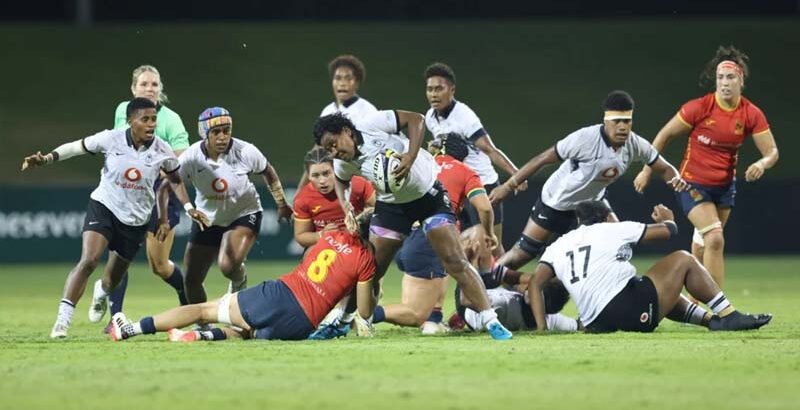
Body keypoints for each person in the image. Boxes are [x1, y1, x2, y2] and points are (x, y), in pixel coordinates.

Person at [313, 111, 513, 340]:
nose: (334, 152)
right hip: (391, 208)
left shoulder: (372, 125)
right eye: (328, 149)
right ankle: (342, 322)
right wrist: (345, 205)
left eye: (334, 144)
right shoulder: (342, 163)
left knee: (455, 261)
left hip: (429, 197)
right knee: (370, 270)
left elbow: (417, 119)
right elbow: (341, 181)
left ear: (347, 131)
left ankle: (491, 321)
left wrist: (410, 156)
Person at [20, 97, 209, 339]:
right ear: (131, 121)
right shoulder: (111, 138)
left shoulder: (162, 149)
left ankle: (101, 290)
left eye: (154, 119)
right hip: (104, 206)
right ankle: (62, 321)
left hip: (136, 221)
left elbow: (174, 179)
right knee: (89, 260)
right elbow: (76, 147)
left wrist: (188, 207)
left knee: (111, 280)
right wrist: (47, 158)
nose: (151, 124)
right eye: (145, 119)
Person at [490, 90, 689, 270]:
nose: (622, 127)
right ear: (606, 121)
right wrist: (508, 186)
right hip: (557, 202)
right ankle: (487, 279)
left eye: (627, 121)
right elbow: (542, 158)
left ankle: (615, 293)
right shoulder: (584, 139)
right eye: (617, 121)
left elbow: (664, 168)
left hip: (592, 204)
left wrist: (677, 181)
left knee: (618, 245)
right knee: (523, 254)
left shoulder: (635, 144)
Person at [633, 46, 779, 289]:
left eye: (730, 77)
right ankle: (720, 305)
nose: (724, 83)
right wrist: (647, 170)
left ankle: (694, 299)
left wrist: (762, 163)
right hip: (692, 183)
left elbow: (772, 151)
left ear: (741, 80)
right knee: (715, 238)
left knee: (703, 246)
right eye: (720, 77)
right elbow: (665, 135)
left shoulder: (750, 113)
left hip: (724, 188)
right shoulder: (700, 107)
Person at [528, 201, 772, 333]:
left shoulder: (559, 245)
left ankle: (712, 321)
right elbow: (667, 232)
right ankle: (729, 315)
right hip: (627, 310)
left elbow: (535, 283)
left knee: (652, 285)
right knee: (683, 260)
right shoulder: (611, 228)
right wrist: (668, 219)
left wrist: (541, 328)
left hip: (595, 324)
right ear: (605, 217)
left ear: (579, 221)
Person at [108, 230, 377, 342]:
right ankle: (200, 337)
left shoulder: (332, 234)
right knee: (248, 332)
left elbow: (307, 250)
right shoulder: (366, 260)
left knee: (203, 310)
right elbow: (364, 312)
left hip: (281, 294)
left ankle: (130, 329)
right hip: (302, 323)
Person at [95, 65, 192, 331]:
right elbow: (117, 143)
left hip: (161, 193)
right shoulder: (122, 110)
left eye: (154, 84)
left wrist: (151, 168)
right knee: (120, 254)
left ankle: (187, 300)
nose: (149, 88)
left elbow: (181, 156)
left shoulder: (171, 119)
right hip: (127, 192)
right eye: (144, 84)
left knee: (159, 265)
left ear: (160, 89)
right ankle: (115, 317)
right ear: (133, 88)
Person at [372, 135, 497, 334]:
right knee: (415, 313)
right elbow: (485, 208)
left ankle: (434, 318)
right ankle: (363, 316)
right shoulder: (465, 171)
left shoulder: (422, 164)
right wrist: (490, 233)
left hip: (409, 237)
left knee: (448, 261)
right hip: (428, 241)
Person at [171, 107, 292, 304]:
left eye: (226, 130)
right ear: (204, 134)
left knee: (227, 266)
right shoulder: (191, 156)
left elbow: (267, 171)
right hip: (207, 218)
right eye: (216, 132)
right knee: (191, 279)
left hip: (243, 213)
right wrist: (188, 207)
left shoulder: (245, 151)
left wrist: (281, 203)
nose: (222, 137)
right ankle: (202, 320)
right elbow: (173, 180)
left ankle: (239, 279)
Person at [424, 62, 525, 256]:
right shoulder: (430, 117)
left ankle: (503, 276)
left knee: (491, 246)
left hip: (482, 185)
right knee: (461, 246)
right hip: (457, 187)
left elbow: (489, 149)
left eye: (439, 89)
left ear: (452, 90)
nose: (434, 94)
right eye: (430, 89)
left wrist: (516, 174)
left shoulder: (464, 117)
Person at [298, 55, 380, 188]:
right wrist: (300, 192)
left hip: (366, 181)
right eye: (338, 78)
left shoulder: (367, 111)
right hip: (338, 182)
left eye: (348, 78)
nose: (342, 83)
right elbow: (317, 155)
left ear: (357, 83)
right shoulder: (328, 111)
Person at [293, 146, 376, 249]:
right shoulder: (303, 199)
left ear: (336, 169)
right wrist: (321, 235)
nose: (322, 181)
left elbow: (380, 209)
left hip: (359, 242)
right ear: (309, 176)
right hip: (326, 246)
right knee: (309, 252)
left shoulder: (357, 184)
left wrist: (361, 219)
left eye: (326, 173)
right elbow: (301, 236)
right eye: (315, 175)